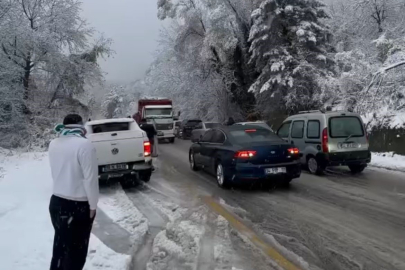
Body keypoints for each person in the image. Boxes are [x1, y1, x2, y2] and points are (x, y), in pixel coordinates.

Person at [48, 114, 99, 270]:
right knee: (76, 253)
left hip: (57, 202)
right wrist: (93, 206)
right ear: (80, 125)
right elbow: (90, 179)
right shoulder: (85, 145)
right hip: (78, 206)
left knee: (60, 249)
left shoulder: (54, 143)